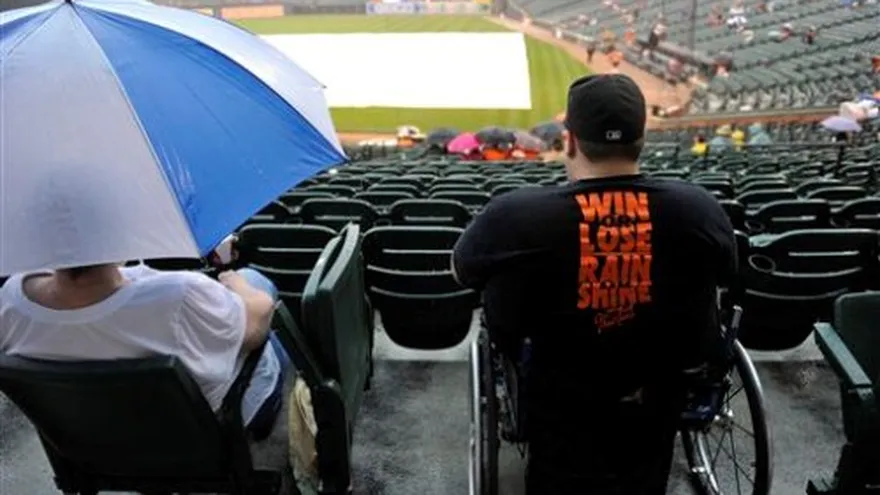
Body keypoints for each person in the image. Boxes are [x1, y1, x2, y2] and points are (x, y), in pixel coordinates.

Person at [452, 74, 737, 494]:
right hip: (661, 389)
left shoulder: (514, 215)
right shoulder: (699, 208)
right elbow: (726, 278)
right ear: (642, 138)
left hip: (556, 394)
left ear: (569, 142)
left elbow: (462, 272)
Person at [0, 261, 292, 441]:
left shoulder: (10, 302)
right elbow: (256, 327)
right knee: (257, 285)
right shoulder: (181, 295)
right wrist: (236, 283)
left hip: (89, 445)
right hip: (207, 438)